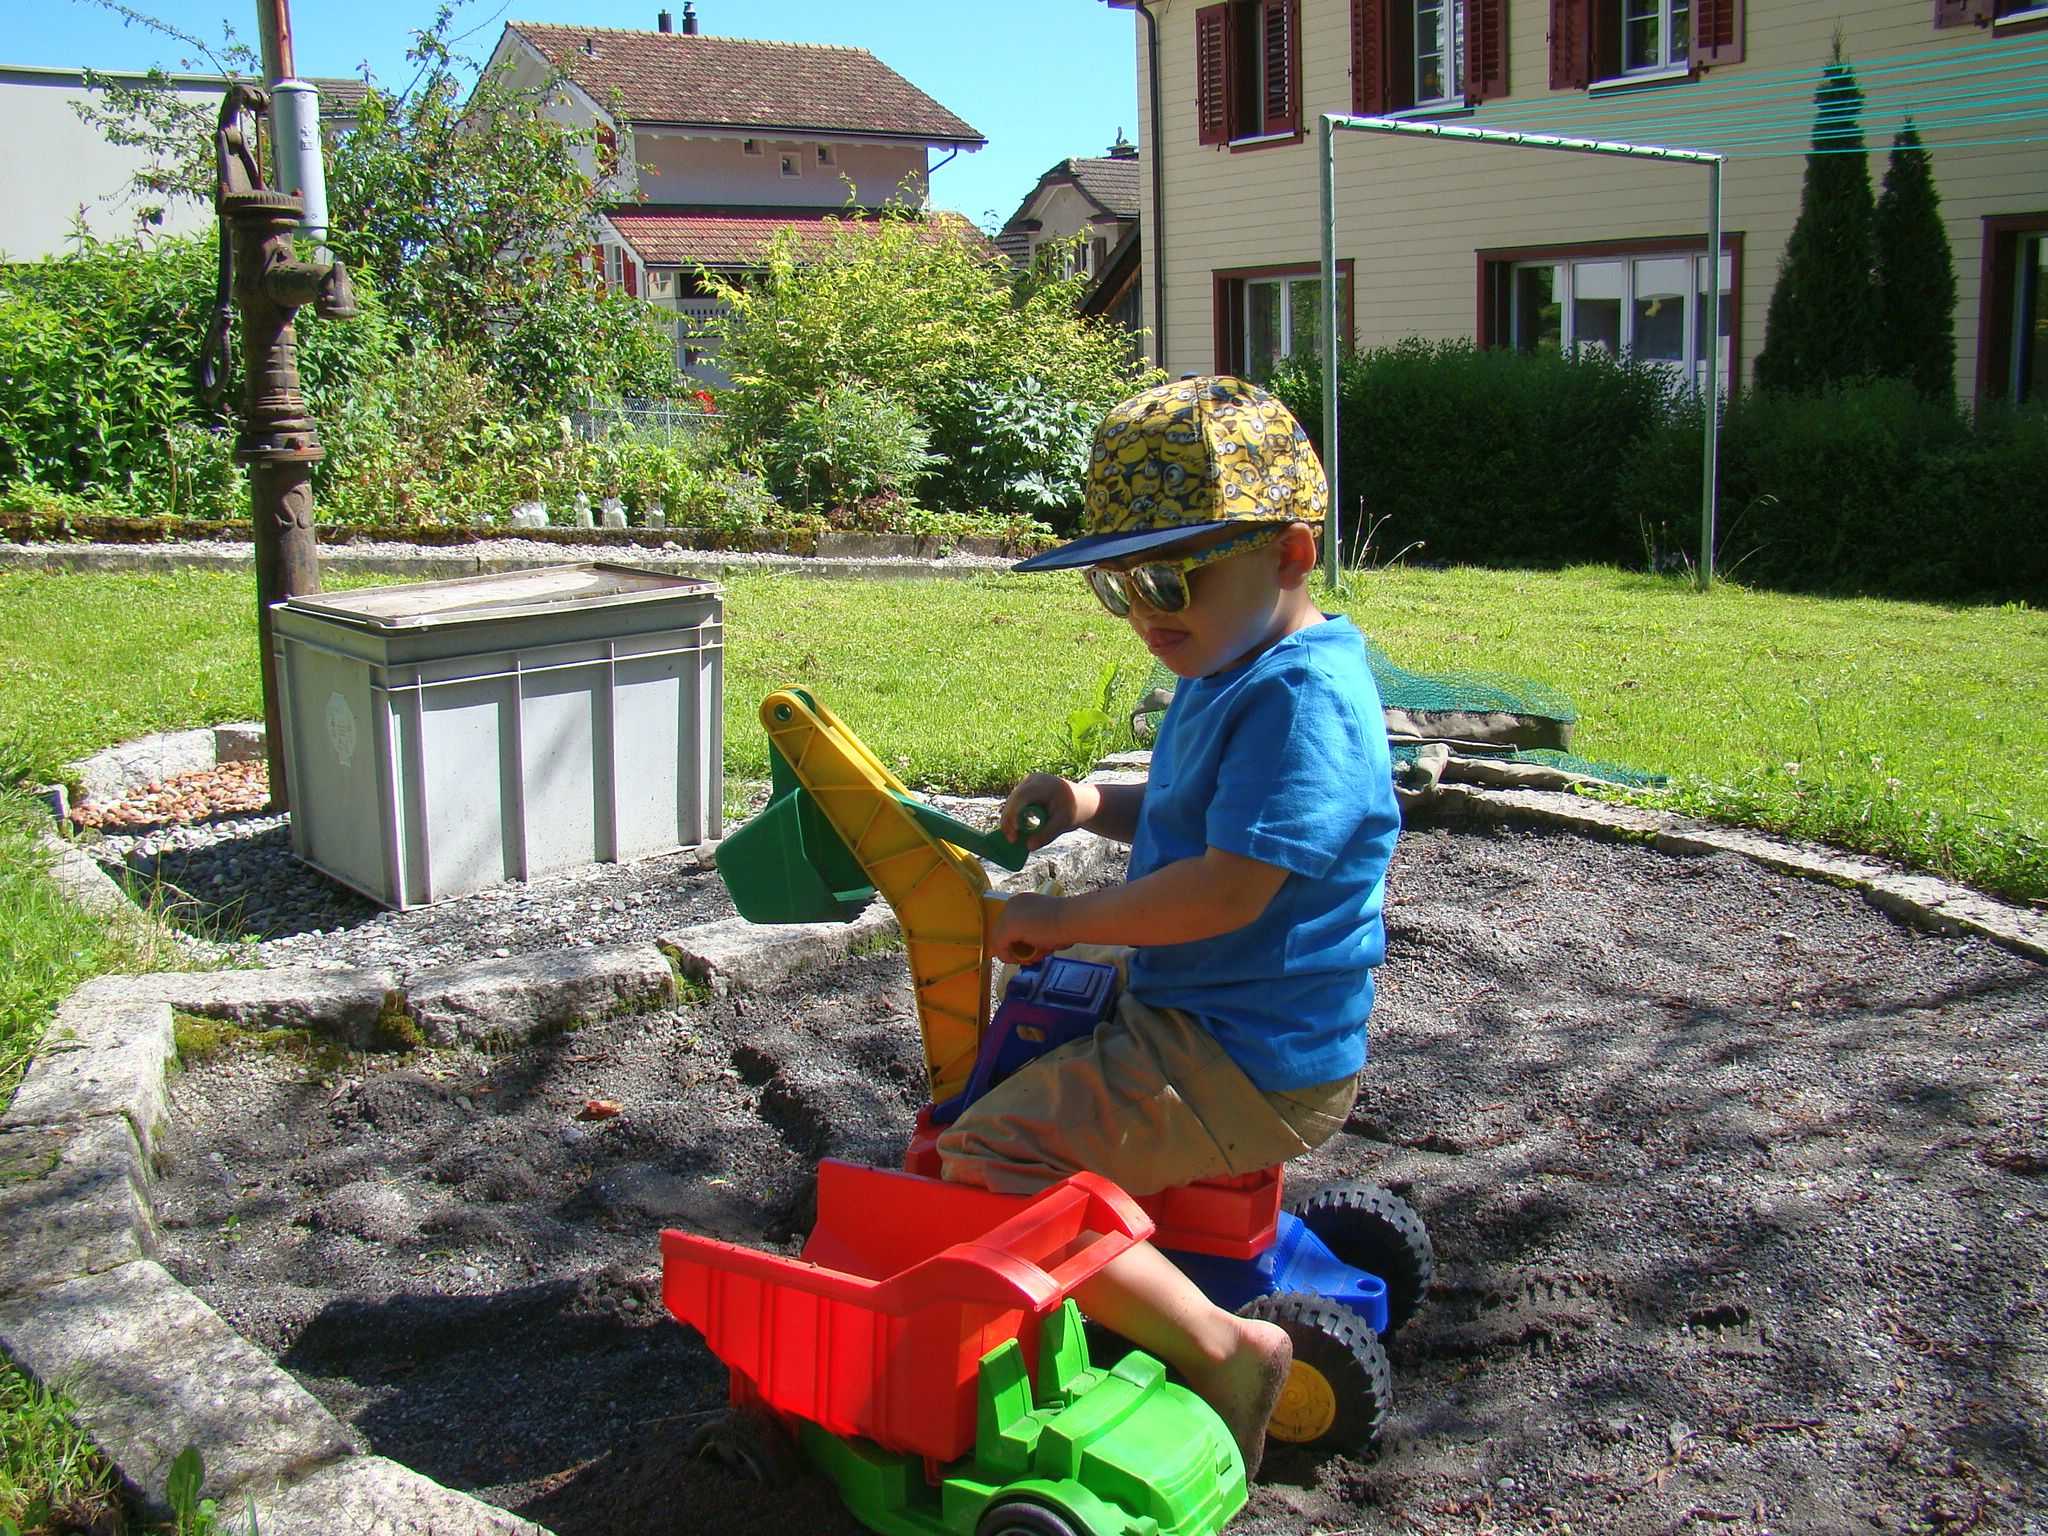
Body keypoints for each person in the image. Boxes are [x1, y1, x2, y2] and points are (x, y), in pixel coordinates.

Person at [935, 375, 1402, 1477]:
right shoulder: (1230, 659)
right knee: (1051, 1010)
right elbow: (1199, 811)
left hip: (1244, 1056)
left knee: (987, 1154)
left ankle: (1224, 1348)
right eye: (1118, 587)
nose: (1147, 614)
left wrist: (1062, 916)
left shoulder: (1299, 700)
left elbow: (1225, 890)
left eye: (1168, 577)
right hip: (1225, 1020)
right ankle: (1137, 1231)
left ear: (1289, 554)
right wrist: (1093, 803)